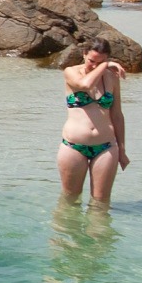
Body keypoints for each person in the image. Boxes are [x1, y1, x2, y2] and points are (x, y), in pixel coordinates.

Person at [56, 37, 129, 204]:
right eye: (92, 61)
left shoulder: (112, 78)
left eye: (101, 61)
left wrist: (122, 150)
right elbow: (85, 85)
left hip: (106, 147)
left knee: (101, 202)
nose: (95, 65)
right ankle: (67, 231)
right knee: (70, 201)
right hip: (73, 146)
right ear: (83, 54)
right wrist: (105, 65)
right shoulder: (71, 72)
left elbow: (117, 115)